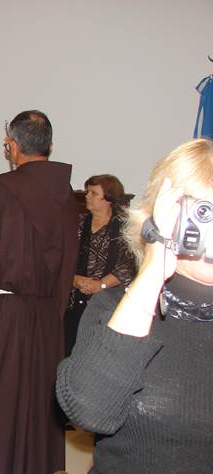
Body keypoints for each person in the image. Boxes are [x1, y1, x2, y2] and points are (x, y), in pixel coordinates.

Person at [56, 138, 213, 472]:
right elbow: (90, 411)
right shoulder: (116, 309)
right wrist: (156, 264)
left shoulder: (111, 227)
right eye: (203, 213)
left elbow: (119, 266)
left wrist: (100, 282)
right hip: (89, 298)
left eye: (94, 193)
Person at [0, 110, 78, 473]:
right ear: (50, 145)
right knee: (33, 405)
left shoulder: (0, 189)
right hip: (46, 316)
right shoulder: (67, 196)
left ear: (12, 146)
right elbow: (67, 260)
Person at [64, 174, 136, 356]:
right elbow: (61, 258)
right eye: (87, 192)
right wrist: (73, 279)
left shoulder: (125, 228)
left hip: (109, 304)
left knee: (99, 354)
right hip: (74, 302)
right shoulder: (76, 223)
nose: (87, 196)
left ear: (109, 198)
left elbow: (128, 265)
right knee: (70, 351)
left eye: (93, 193)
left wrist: (101, 285)